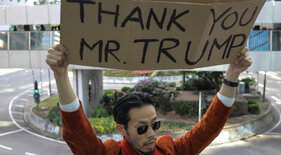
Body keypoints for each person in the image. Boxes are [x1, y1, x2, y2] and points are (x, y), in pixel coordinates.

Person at [46, 44, 252, 155]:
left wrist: (233, 75)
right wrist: (61, 76)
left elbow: (210, 126)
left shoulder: (171, 150)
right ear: (121, 129)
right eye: (142, 128)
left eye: (155, 124)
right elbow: (77, 130)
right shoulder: (106, 154)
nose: (153, 134)